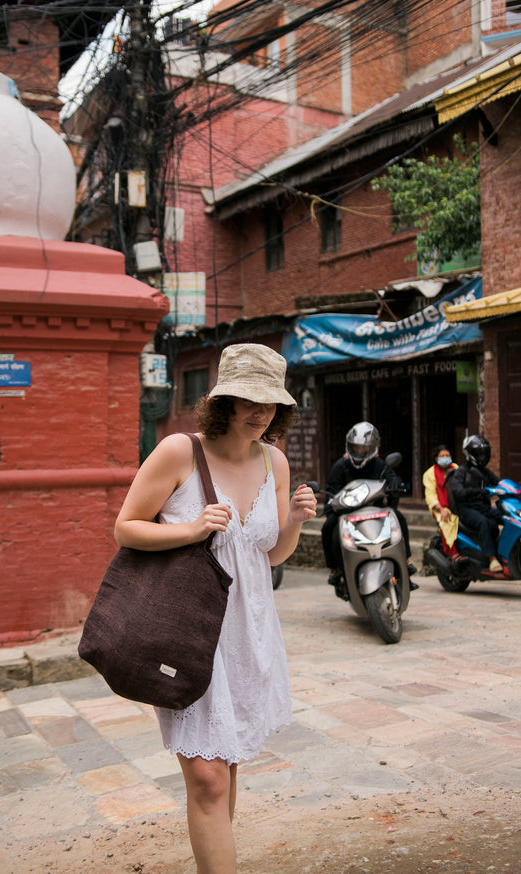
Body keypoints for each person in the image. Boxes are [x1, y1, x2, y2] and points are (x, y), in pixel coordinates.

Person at [114, 343, 317, 874]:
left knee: (225, 768)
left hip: (249, 630)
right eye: (249, 399)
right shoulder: (180, 451)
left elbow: (269, 555)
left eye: (270, 404)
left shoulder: (274, 460)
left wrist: (294, 519)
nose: (260, 413)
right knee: (207, 777)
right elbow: (126, 526)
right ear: (223, 399)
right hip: (190, 630)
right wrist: (191, 528)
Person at [321, 421, 418, 590]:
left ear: (373, 448)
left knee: (399, 518)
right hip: (347, 514)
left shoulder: (380, 465)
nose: (359, 452)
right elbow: (331, 490)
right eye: (356, 447)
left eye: (363, 448)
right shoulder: (341, 467)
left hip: (376, 511)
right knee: (329, 528)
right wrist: (330, 504)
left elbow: (392, 477)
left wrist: (395, 484)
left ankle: (406, 561)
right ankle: (335, 570)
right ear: (348, 446)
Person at [447, 434, 504, 573]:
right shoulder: (461, 472)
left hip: (483, 508)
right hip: (467, 510)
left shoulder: (485, 472)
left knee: (506, 516)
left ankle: (506, 553)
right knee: (484, 522)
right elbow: (457, 491)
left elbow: (499, 483)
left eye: (484, 453)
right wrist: (476, 491)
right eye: (479, 453)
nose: (482, 456)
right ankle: (491, 559)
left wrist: (513, 487)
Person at [422, 444, 461, 559]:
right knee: (446, 522)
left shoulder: (455, 468)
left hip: (456, 505)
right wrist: (441, 509)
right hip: (441, 508)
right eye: (442, 455)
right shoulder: (430, 473)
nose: (445, 457)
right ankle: (454, 555)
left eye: (447, 455)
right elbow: (430, 495)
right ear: (436, 458)